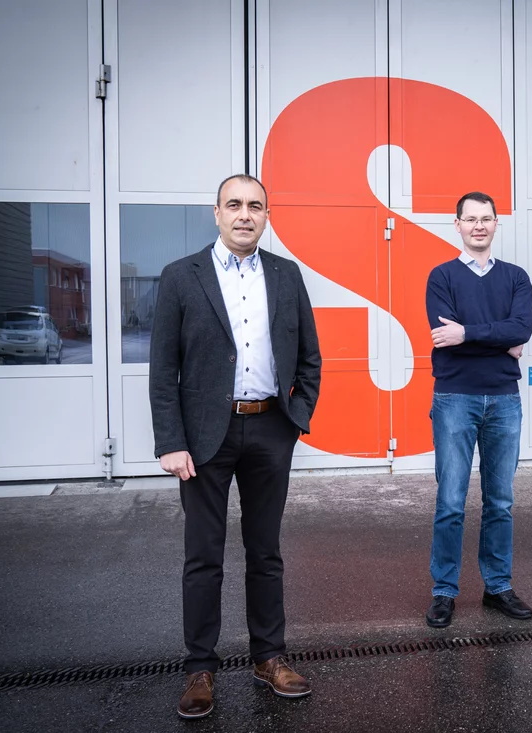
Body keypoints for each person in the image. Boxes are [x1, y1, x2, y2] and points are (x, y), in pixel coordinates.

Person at [149, 174, 322, 719]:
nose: (245, 214)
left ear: (267, 215)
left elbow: (311, 355)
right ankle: (199, 666)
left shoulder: (287, 274)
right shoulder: (182, 277)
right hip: (204, 437)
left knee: (265, 552)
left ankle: (268, 657)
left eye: (255, 206)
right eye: (234, 205)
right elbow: (163, 369)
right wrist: (171, 441)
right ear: (217, 214)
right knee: (204, 557)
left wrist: (297, 416)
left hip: (270, 428)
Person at [423, 191, 532, 629]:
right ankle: (444, 591)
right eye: (470, 219)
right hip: (455, 398)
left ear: (495, 223)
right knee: (450, 501)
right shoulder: (442, 276)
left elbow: (522, 328)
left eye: (486, 218)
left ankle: (498, 587)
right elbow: (442, 336)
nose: (478, 226)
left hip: (504, 400)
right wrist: (499, 341)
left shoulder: (516, 277)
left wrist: (467, 333)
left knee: (501, 501)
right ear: (457, 224)